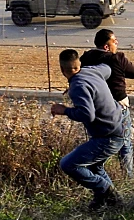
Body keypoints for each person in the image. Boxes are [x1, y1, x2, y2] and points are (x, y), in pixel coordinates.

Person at [52, 49, 125, 210]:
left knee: (68, 164)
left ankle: (105, 191)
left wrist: (64, 110)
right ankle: (114, 202)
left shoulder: (78, 85)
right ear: (79, 64)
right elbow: (108, 69)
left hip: (107, 136)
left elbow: (87, 114)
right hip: (118, 128)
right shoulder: (91, 71)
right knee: (94, 166)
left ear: (62, 70)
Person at [80, 29, 134, 178]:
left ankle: (95, 170)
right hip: (119, 106)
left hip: (96, 106)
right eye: (114, 41)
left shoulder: (86, 57)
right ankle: (128, 177)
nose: (117, 43)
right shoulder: (117, 58)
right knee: (125, 142)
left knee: (98, 139)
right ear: (106, 47)